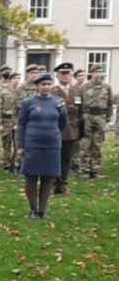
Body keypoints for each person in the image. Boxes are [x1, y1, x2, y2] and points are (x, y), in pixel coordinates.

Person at [17, 73, 68, 219]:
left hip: (52, 145)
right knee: (31, 177)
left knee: (48, 177)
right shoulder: (28, 102)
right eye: (43, 84)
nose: (46, 87)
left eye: (48, 84)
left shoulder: (59, 102)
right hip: (33, 144)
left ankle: (42, 210)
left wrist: (52, 133)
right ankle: (33, 209)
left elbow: (63, 122)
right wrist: (20, 145)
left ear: (52, 86)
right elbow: (22, 124)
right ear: (37, 86)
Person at [48, 63, 81, 195]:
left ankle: (63, 185)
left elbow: (80, 110)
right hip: (56, 129)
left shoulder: (77, 91)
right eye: (63, 74)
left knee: (67, 158)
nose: (66, 77)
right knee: (54, 157)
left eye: (69, 74)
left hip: (72, 129)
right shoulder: (52, 91)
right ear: (57, 75)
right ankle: (53, 185)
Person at [79, 65, 112, 180]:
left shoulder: (107, 87)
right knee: (85, 143)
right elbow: (80, 103)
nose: (98, 74)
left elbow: (110, 103)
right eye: (96, 72)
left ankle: (95, 169)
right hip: (87, 116)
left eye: (100, 72)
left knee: (97, 144)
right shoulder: (84, 86)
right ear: (91, 73)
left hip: (101, 117)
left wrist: (107, 120)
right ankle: (85, 168)